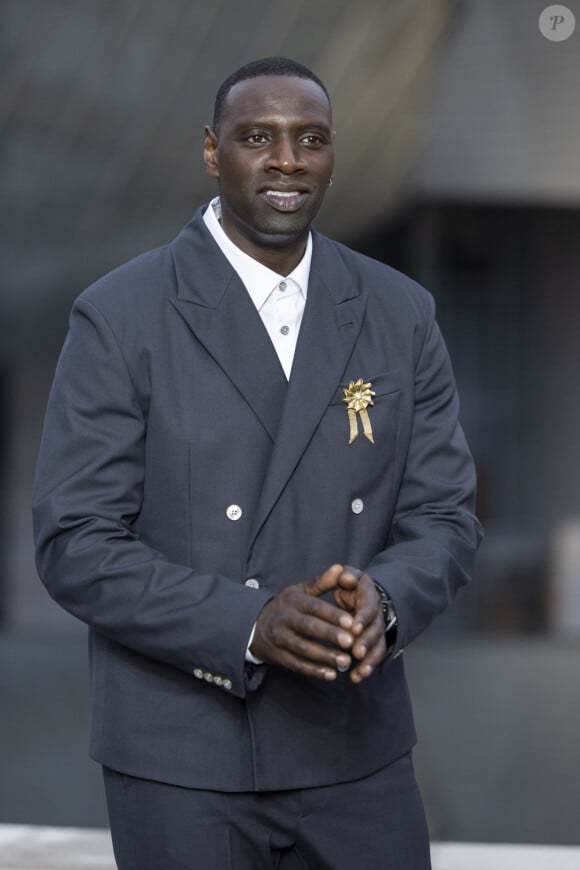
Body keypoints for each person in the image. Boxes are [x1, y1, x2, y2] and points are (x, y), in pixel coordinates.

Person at [33, 57, 482, 869]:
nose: (286, 160)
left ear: (333, 154)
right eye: (257, 138)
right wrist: (248, 623)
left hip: (356, 749)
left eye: (310, 139)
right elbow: (75, 541)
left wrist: (382, 601)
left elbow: (444, 517)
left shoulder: (400, 311)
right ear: (213, 152)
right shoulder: (121, 313)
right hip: (181, 758)